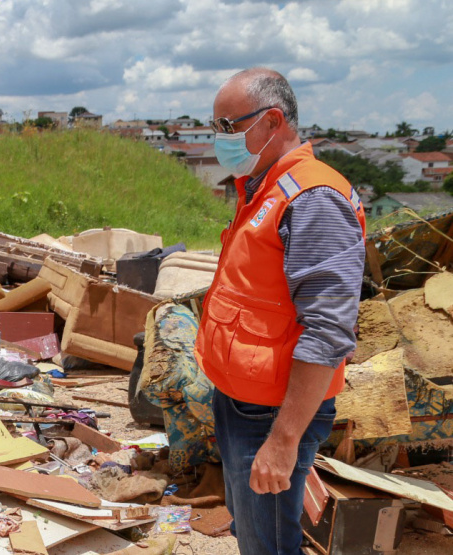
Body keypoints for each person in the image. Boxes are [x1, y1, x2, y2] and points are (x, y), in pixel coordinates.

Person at [194, 68, 366, 554]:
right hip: (242, 397)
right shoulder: (264, 186)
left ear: (272, 121)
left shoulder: (313, 199)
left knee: (268, 541)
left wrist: (284, 439)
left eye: (227, 126)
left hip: (272, 412)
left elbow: (329, 331)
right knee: (251, 530)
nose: (218, 139)